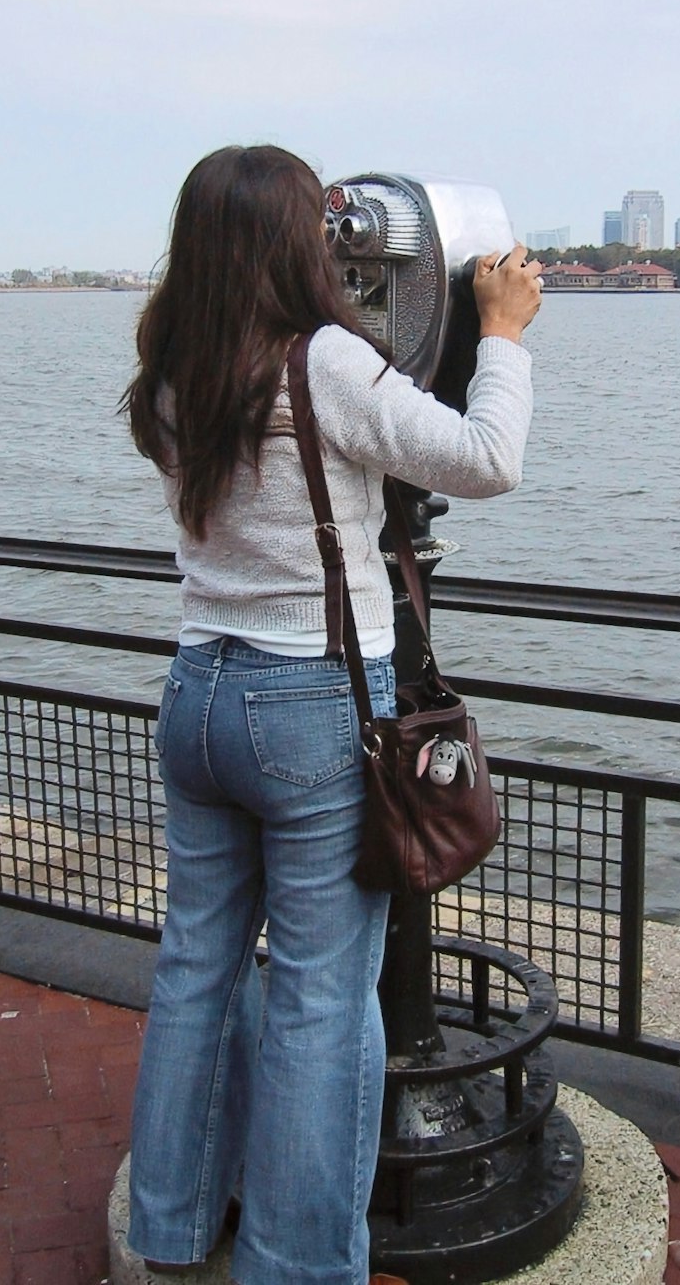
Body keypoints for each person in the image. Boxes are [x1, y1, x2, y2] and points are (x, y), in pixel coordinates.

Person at [122, 144, 541, 1285]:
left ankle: (169, 1220)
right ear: (294, 245)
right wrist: (496, 333)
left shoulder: (172, 367)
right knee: (319, 992)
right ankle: (296, 1264)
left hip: (199, 691)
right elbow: (487, 457)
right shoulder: (326, 368)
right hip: (309, 702)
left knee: (197, 965)